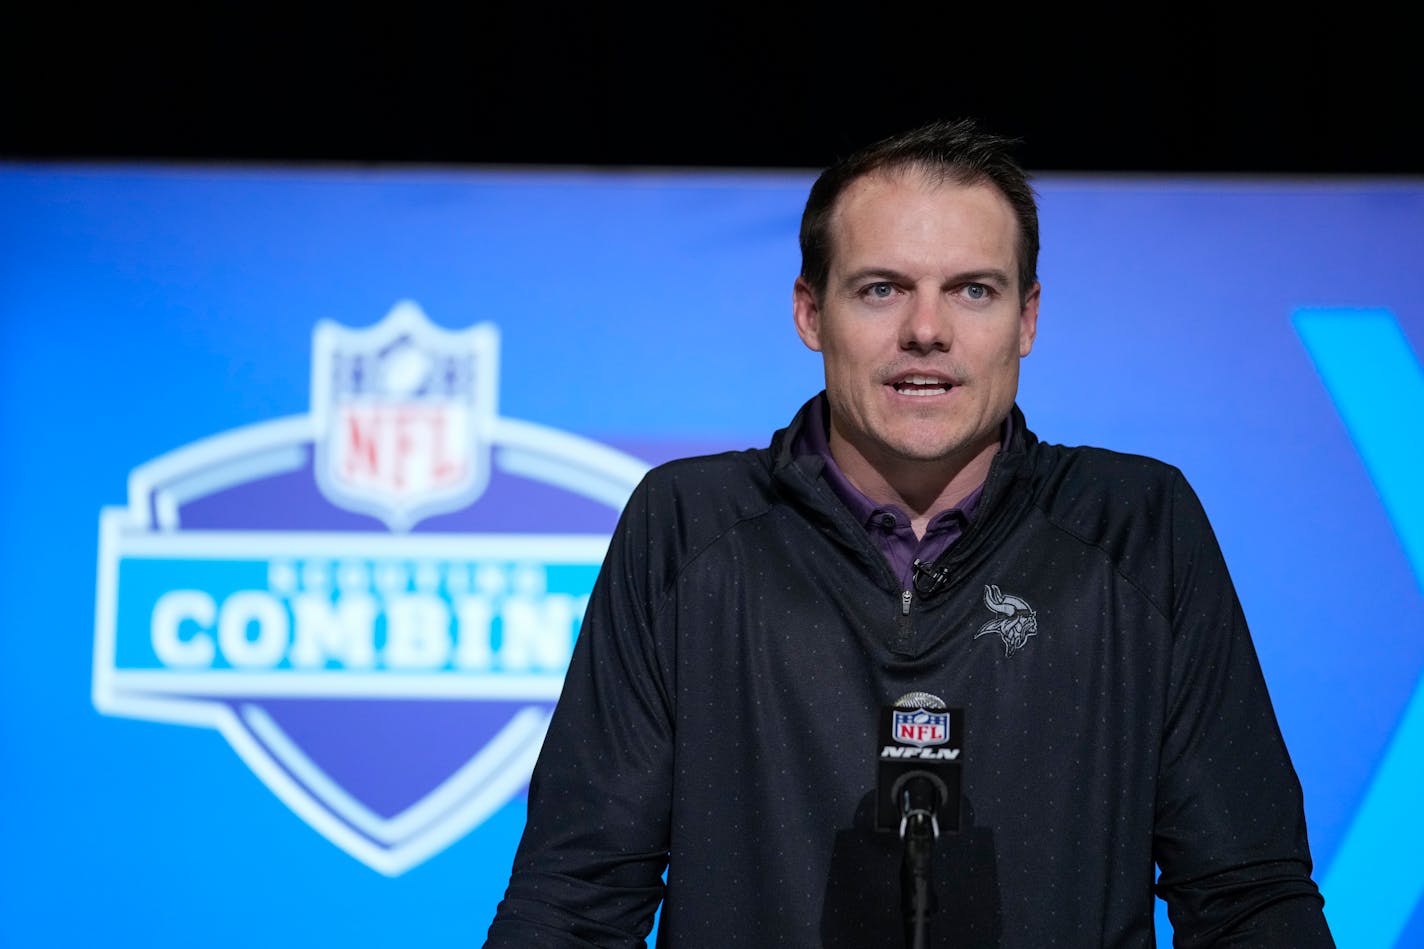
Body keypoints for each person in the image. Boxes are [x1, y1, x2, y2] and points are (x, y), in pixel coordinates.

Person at [485, 119, 1334, 947]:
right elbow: (576, 901)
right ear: (810, 313)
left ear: (1028, 318)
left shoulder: (1140, 526)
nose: (927, 330)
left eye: (974, 289)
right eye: (882, 288)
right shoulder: (688, 528)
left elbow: (1248, 899)